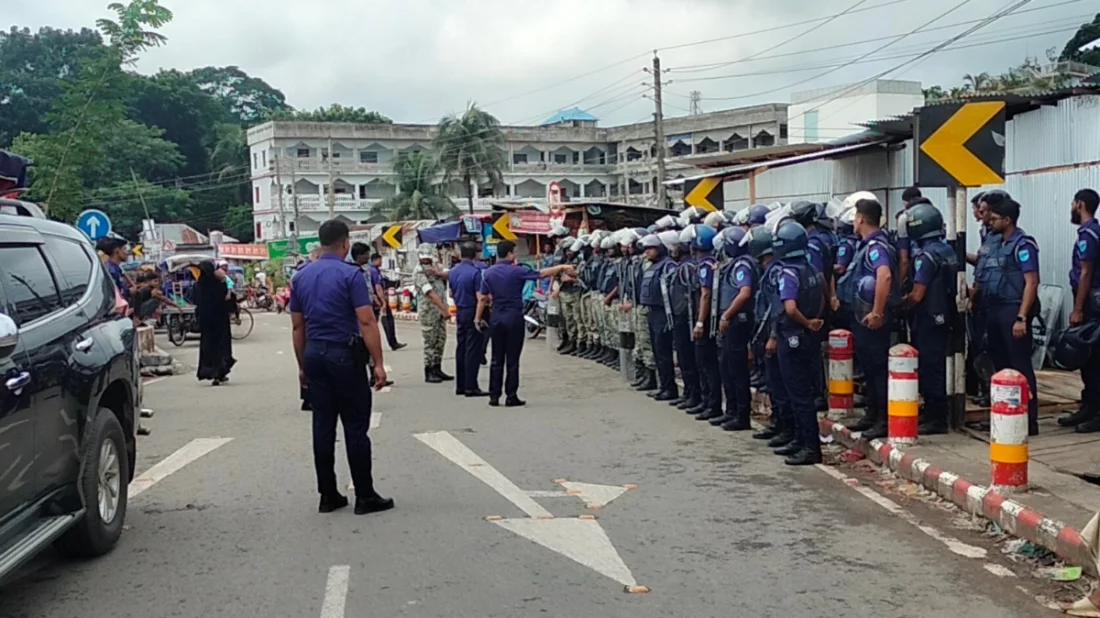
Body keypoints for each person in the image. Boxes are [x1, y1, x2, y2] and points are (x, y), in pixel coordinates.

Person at [289, 219, 393, 516]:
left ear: (320, 243)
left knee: (322, 426)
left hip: (314, 355)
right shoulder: (352, 275)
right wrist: (379, 364)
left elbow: (298, 326)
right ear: (346, 243)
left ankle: (328, 495)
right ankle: (365, 495)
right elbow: (366, 320)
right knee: (355, 425)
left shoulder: (301, 277)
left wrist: (301, 366)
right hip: (344, 356)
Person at [475, 240, 573, 406]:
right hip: (513, 317)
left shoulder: (487, 273)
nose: (515, 255)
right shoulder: (517, 271)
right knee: (512, 359)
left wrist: (477, 318)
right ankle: (511, 396)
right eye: (514, 252)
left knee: (496, 358)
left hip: (496, 317)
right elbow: (541, 274)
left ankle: (494, 395)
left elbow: (483, 298)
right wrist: (561, 267)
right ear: (509, 254)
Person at [973, 197, 1040, 436]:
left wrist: (1022, 317)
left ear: (1008, 220)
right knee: (1000, 368)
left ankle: (1029, 419)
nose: (990, 222)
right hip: (994, 309)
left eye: (995, 218)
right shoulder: (995, 243)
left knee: (1020, 367)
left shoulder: (1023, 245)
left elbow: (1032, 282)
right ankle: (1006, 415)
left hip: (1013, 310)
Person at [840, 197, 896, 440]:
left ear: (861, 218)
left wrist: (877, 312)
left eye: (855, 217)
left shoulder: (877, 247)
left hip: (872, 319)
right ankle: (871, 414)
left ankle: (882, 420)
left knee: (877, 369)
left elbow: (884, 277)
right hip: (860, 316)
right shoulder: (866, 245)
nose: (854, 221)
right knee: (869, 368)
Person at [771, 220, 826, 465]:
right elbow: (825, 293)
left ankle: (810, 447)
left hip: (792, 336)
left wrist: (805, 322)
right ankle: (800, 441)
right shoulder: (812, 268)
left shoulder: (788, 273)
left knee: (798, 394)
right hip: (809, 337)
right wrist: (815, 321)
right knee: (803, 392)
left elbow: (790, 308)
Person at [902, 201, 957, 435]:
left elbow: (917, 294)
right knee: (936, 365)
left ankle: (936, 418)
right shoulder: (947, 250)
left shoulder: (926, 256)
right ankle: (936, 413)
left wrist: (898, 305)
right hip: (946, 314)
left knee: (929, 366)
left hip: (929, 315)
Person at [1061, 189, 1100, 432]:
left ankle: (1096, 412)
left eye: (1073, 203)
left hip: (1091, 304)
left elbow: (1086, 272)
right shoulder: (1091, 232)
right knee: (1087, 360)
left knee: (1094, 358)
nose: (1072, 208)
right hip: (1090, 301)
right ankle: (1088, 406)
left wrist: (1077, 308)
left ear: (1079, 204)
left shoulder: (1089, 234)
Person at [714, 226, 756, 431]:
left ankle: (741, 415)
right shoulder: (732, 265)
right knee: (727, 368)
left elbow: (745, 292)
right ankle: (731, 411)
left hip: (736, 322)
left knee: (737, 371)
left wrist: (726, 315)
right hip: (730, 322)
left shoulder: (742, 266)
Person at [684, 224, 722, 421]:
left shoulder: (706, 266)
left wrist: (700, 323)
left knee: (707, 364)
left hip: (705, 321)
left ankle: (712, 404)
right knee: (701, 363)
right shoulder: (704, 264)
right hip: (702, 318)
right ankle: (706, 402)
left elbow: (705, 295)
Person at [664, 229, 704, 413]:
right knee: (684, 358)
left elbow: (694, 295)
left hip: (686, 319)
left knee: (688, 359)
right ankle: (689, 393)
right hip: (681, 318)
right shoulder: (683, 266)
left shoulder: (688, 267)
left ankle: (694, 395)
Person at [449, 242, 490, 398]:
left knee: (461, 347)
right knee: (473, 349)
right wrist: (478, 318)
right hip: (472, 310)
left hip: (460, 310)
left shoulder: (453, 271)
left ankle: (461, 385)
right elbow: (481, 298)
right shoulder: (476, 273)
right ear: (475, 255)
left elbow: (452, 293)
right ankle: (471, 386)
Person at [414, 244, 453, 383]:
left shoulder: (436, 266)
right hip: (429, 312)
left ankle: (437, 367)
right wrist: (444, 309)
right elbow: (429, 293)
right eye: (424, 258)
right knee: (430, 341)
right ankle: (429, 370)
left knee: (440, 340)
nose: (427, 260)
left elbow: (450, 273)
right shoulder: (419, 271)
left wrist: (438, 273)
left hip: (439, 312)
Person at [194, 260, 237, 386]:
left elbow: (196, 302)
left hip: (206, 323)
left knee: (208, 348)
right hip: (220, 322)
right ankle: (220, 372)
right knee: (222, 347)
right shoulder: (219, 284)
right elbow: (228, 301)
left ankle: (211, 371)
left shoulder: (198, 286)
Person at [371, 253, 406, 351]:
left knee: (387, 319)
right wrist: (383, 302)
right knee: (386, 320)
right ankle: (392, 343)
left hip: (376, 299)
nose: (381, 262)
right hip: (377, 300)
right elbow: (378, 288)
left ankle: (393, 342)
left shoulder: (375, 271)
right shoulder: (374, 271)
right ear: (376, 260)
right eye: (380, 260)